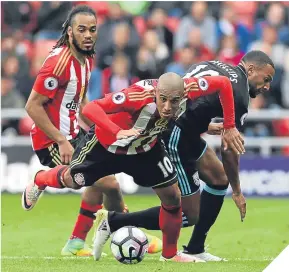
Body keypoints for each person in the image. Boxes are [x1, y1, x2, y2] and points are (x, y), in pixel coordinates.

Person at [23, 71, 244, 262]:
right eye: (163, 100)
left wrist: (230, 125)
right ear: (156, 94)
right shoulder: (136, 95)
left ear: (184, 95)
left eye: (174, 101)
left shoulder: (192, 88)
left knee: (172, 196)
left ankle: (170, 254)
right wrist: (116, 130)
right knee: (73, 181)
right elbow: (91, 108)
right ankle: (40, 179)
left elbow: (224, 83)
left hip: (144, 149)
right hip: (107, 145)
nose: (168, 107)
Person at [92, 50, 275, 262]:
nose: (267, 86)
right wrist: (237, 191)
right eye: (266, 79)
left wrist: (204, 125)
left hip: (184, 130)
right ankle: (115, 221)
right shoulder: (240, 95)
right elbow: (229, 149)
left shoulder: (216, 64)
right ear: (251, 70)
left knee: (218, 179)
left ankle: (195, 248)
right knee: (190, 213)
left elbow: (191, 97)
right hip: (176, 134)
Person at [21, 5, 131, 256]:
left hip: (74, 132)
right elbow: (32, 105)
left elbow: (80, 102)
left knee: (105, 181)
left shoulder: (87, 58)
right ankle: (40, 179)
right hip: (51, 139)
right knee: (106, 183)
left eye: (92, 29)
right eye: (81, 30)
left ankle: (76, 243)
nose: (88, 35)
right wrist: (61, 140)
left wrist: (99, 127)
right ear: (70, 32)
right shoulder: (57, 64)